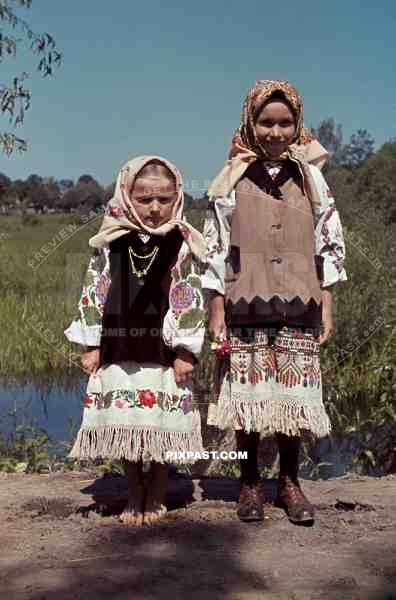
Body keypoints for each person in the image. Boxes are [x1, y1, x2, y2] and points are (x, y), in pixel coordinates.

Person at [202, 80, 347, 524]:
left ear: (297, 124)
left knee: (291, 400)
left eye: (285, 123)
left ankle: (289, 482)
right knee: (247, 402)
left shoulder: (312, 176)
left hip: (300, 301)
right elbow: (215, 244)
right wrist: (216, 306)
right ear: (251, 122)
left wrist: (326, 302)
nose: (276, 132)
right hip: (246, 301)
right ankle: (249, 484)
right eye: (267, 122)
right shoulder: (232, 177)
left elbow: (329, 241)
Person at [65, 155, 207, 526]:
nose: (155, 207)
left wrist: (185, 351)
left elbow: (190, 295)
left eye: (164, 198)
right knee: (126, 422)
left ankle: (157, 489)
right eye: (145, 199)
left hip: (162, 351)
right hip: (119, 345)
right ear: (127, 197)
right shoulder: (110, 241)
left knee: (158, 424)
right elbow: (94, 292)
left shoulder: (183, 242)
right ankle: (134, 489)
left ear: (176, 197)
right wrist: (91, 344)